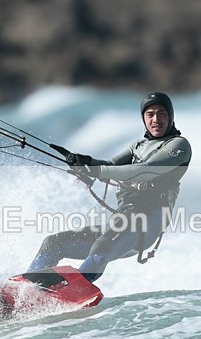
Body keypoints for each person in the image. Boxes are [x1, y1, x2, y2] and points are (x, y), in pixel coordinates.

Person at [27, 92, 192, 282]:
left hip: (147, 223)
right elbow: (110, 164)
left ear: (170, 116)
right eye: (150, 114)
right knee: (54, 242)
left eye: (162, 113)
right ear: (144, 118)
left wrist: (97, 171)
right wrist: (85, 161)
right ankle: (28, 287)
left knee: (102, 247)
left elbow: (145, 170)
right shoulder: (138, 146)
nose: (156, 119)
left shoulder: (179, 145)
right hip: (123, 219)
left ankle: (75, 287)